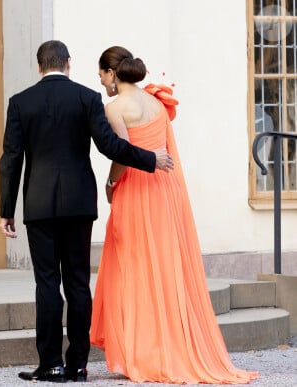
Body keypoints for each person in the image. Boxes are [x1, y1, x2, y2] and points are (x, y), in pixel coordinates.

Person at [0, 40, 174, 383]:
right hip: (79, 203)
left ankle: (50, 364)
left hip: (40, 205)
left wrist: (6, 209)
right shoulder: (87, 98)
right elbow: (111, 147)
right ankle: (77, 365)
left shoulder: (20, 103)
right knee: (78, 282)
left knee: (47, 283)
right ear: (67, 64)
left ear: (39, 67)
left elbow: (11, 160)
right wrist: (150, 159)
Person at [89, 46, 259, 384]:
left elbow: (123, 154)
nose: (101, 81)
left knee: (135, 269)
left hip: (137, 192)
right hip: (164, 193)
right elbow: (162, 148)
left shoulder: (115, 107)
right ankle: (168, 345)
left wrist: (109, 184)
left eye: (101, 75)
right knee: (165, 270)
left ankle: (145, 351)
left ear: (111, 74)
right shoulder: (155, 101)